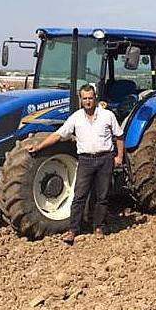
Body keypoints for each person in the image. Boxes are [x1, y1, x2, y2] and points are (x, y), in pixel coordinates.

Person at [28, 84, 124, 244]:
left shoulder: (108, 115)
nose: (88, 101)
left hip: (105, 159)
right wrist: (39, 146)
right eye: (85, 98)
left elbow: (119, 136)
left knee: (102, 196)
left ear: (95, 98)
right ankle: (73, 230)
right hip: (85, 160)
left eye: (90, 98)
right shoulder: (76, 117)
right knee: (79, 195)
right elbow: (59, 135)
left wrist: (119, 157)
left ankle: (98, 226)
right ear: (81, 100)